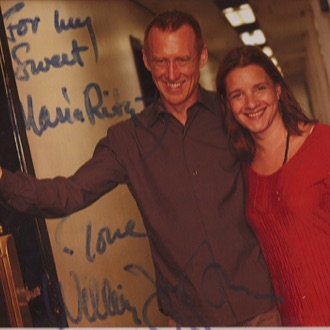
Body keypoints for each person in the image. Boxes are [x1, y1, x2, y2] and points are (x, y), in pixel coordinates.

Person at [0, 11, 280, 326]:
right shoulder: (127, 140)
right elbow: (67, 194)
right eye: (161, 61)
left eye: (182, 59)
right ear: (146, 59)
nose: (172, 73)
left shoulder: (234, 115)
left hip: (264, 310)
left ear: (201, 57)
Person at [216, 45, 330, 326]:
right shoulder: (242, 171)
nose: (251, 102)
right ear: (228, 105)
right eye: (237, 95)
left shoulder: (323, 144)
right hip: (291, 317)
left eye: (259, 88)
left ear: (278, 90)